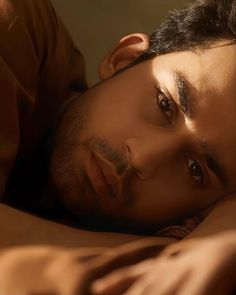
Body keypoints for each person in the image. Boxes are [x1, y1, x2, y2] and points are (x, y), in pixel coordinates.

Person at [0, 0, 235, 293]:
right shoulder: (17, 27)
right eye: (165, 105)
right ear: (124, 58)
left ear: (201, 212)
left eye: (195, 170)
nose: (142, 158)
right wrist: (167, 252)